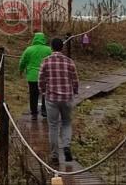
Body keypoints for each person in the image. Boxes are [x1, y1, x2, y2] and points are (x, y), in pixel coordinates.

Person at [38, 37, 80, 166]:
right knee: (67, 122)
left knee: (53, 126)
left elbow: (41, 80)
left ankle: (55, 155)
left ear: (51, 47)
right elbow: (75, 80)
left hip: (51, 98)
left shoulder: (45, 62)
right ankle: (66, 146)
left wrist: (43, 92)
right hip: (67, 97)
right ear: (62, 47)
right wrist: (75, 91)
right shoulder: (69, 62)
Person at [19, 32, 52, 120]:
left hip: (32, 76)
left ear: (34, 39)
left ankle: (34, 113)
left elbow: (23, 61)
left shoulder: (29, 49)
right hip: (45, 76)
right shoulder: (48, 50)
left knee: (33, 94)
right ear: (43, 39)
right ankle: (44, 110)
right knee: (45, 93)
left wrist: (21, 70)